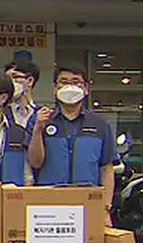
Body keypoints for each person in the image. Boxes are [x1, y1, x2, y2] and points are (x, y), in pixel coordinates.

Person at [26, 63, 118, 218]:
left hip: (88, 203)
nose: (69, 87)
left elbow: (107, 169)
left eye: (76, 82)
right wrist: (38, 129)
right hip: (48, 204)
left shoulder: (100, 124)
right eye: (64, 82)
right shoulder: (40, 119)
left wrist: (105, 209)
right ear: (55, 89)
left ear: (85, 89)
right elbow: (35, 162)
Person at [5, 58, 41, 130]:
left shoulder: (42, 113)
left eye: (15, 77)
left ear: (30, 81)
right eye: (7, 79)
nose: (11, 82)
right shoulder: (1, 114)